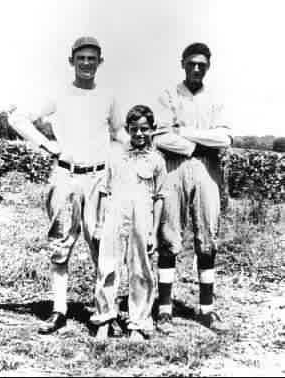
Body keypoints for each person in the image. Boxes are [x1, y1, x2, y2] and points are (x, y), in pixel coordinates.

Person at [9, 36, 127, 334]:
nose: (86, 63)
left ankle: (105, 312)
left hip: (98, 179)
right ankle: (59, 310)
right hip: (65, 177)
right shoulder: (58, 94)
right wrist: (47, 144)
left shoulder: (109, 97)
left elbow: (119, 132)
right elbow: (18, 119)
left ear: (100, 62)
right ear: (71, 61)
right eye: (81, 58)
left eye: (92, 58)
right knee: (61, 247)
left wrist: (142, 149)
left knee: (101, 245)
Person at [153, 42, 232, 333]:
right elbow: (159, 136)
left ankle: (207, 308)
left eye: (202, 64)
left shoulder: (215, 98)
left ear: (208, 66)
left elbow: (224, 138)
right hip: (174, 167)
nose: (196, 68)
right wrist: (197, 142)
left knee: (207, 235)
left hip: (207, 168)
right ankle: (164, 308)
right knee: (169, 233)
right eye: (191, 63)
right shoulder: (168, 95)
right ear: (183, 63)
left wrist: (185, 132)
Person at [90, 105, 167, 341]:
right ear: (127, 130)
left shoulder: (157, 161)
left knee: (140, 271)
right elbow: (104, 192)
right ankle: (105, 319)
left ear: (152, 130)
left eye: (144, 129)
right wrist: (101, 224)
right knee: (108, 266)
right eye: (134, 129)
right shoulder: (115, 157)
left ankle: (138, 323)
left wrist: (154, 233)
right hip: (115, 215)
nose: (139, 134)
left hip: (142, 219)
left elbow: (159, 199)